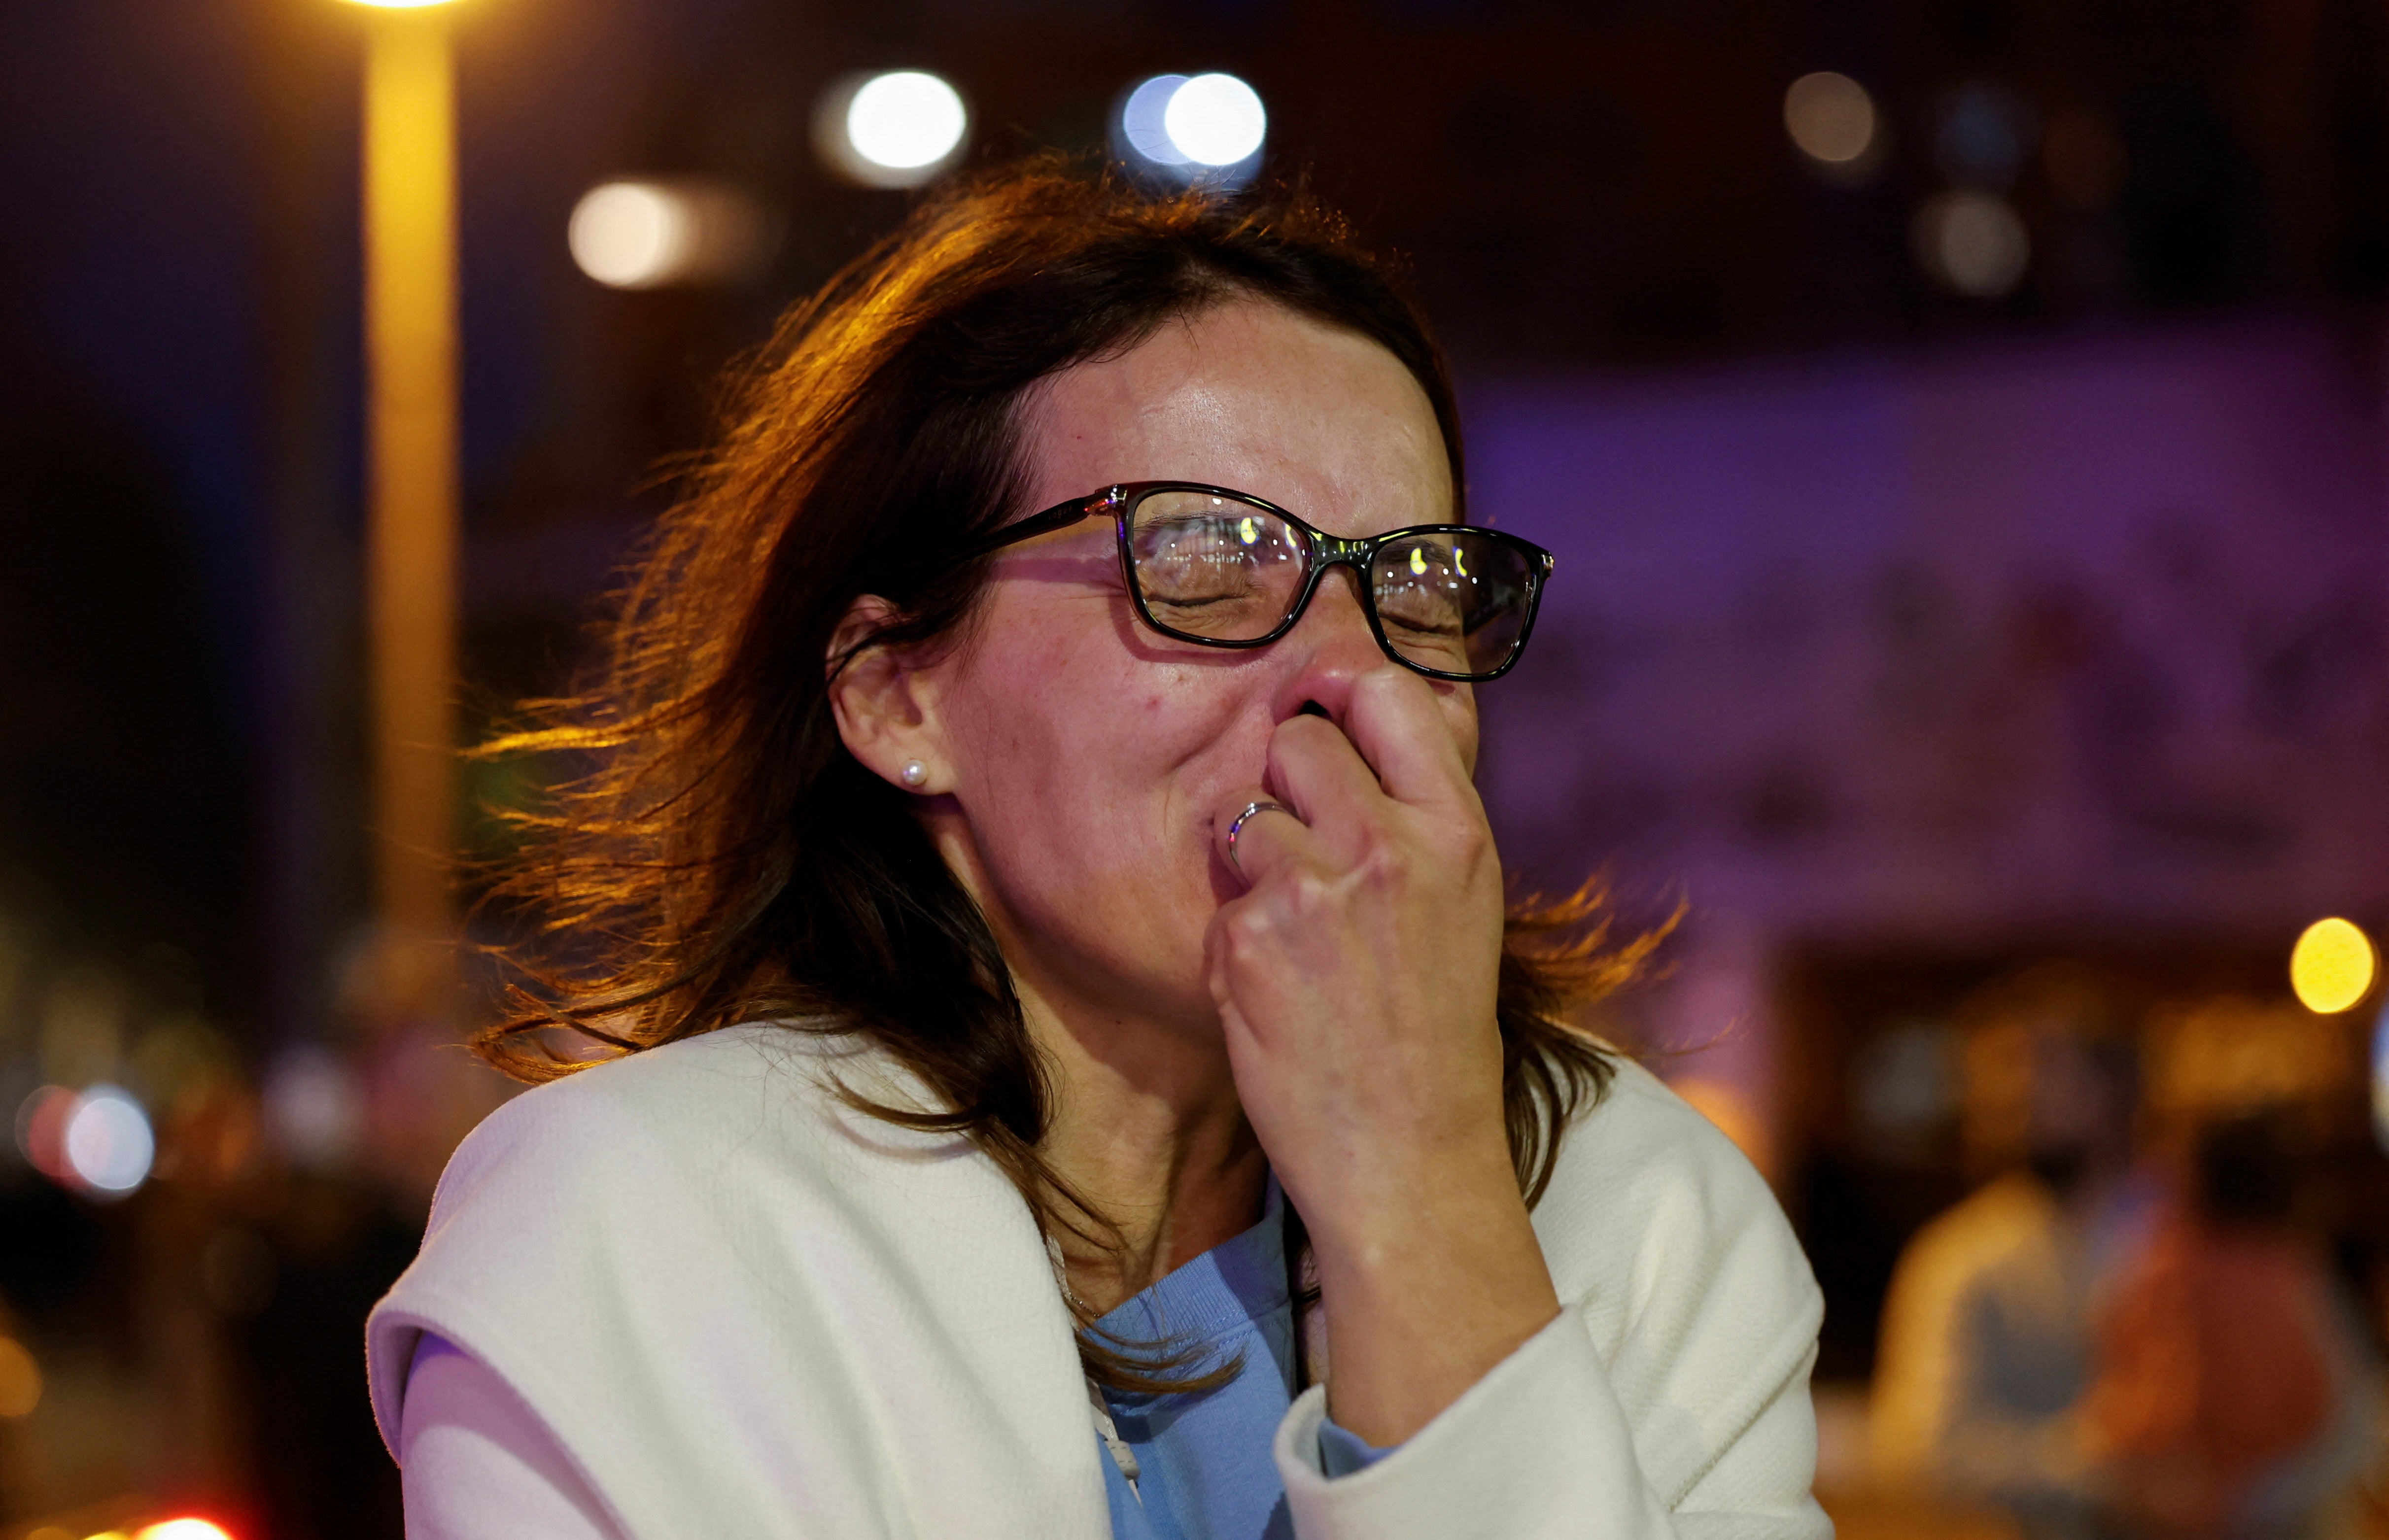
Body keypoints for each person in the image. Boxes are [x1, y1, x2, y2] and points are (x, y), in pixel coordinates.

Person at [364, 162, 1828, 1540]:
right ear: (894, 690)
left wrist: (1424, 1183)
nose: (1345, 672)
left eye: (1416, 581)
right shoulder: (637, 1224)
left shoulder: (1640, 1211)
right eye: (1196, 558)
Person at [1870, 967, 2153, 1540]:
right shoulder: (1958, 1257)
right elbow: (1922, 1448)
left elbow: (2336, 1418)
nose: (2012, 1094)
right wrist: (2102, 1463)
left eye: (2041, 1063)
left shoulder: (2199, 1234)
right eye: (1994, 1073)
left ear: (2113, 1084)